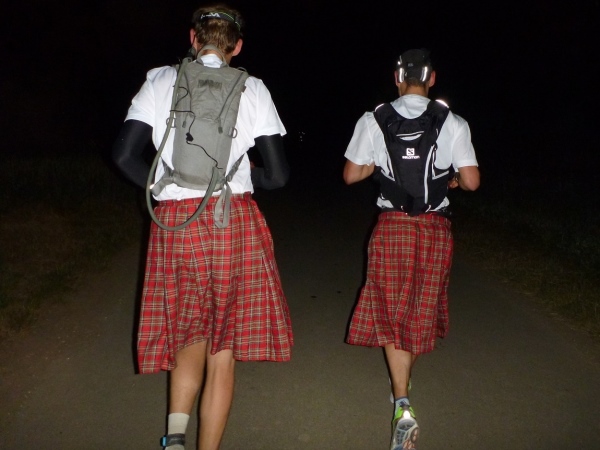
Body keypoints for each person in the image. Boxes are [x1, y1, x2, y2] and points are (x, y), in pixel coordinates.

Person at [111, 4, 293, 449]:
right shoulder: (253, 88)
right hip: (232, 218)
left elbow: (123, 156)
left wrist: (163, 187)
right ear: (237, 46)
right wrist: (247, 178)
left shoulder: (160, 79)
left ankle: (174, 438)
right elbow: (278, 176)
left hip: (176, 221)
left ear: (193, 39)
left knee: (186, 331)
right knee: (221, 347)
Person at [342, 48, 480, 450]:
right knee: (419, 310)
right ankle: (401, 392)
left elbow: (351, 174)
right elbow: (472, 181)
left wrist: (376, 167)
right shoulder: (453, 121)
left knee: (390, 309)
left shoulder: (374, 119)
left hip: (392, 227)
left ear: (397, 77)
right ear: (432, 78)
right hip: (434, 229)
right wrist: (453, 179)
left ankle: (402, 403)